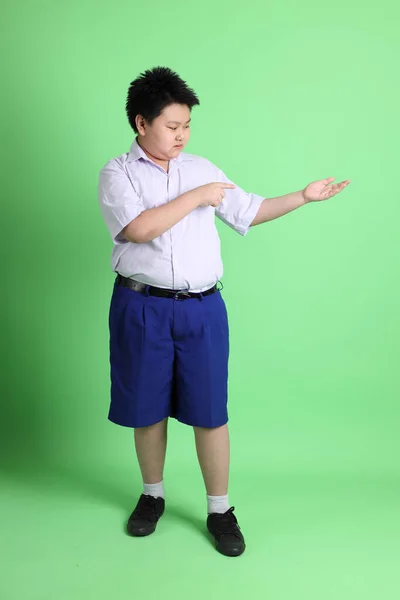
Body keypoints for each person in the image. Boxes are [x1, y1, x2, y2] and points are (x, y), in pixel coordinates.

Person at [97, 66, 350, 557]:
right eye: (172, 126)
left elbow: (248, 210)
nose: (182, 135)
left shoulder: (202, 168)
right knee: (147, 410)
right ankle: (152, 497)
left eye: (187, 125)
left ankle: (219, 510)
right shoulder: (117, 173)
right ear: (140, 123)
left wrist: (302, 196)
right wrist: (196, 198)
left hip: (202, 309)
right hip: (141, 303)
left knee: (211, 410)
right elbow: (139, 229)